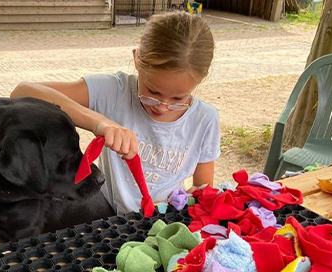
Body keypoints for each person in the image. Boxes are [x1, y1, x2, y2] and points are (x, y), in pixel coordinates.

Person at [11, 11, 220, 214]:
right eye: (152, 92)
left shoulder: (205, 120)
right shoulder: (114, 92)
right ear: (137, 60)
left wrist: (195, 196)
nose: (162, 106)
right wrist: (100, 123)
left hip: (163, 223)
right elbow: (22, 93)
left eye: (178, 99)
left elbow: (202, 187)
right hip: (106, 216)